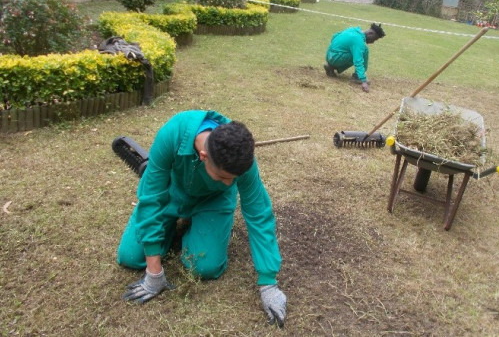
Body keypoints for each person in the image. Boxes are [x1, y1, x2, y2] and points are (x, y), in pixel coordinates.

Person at [117, 110, 286, 327]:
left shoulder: (242, 159)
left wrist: (268, 282)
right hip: (171, 195)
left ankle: (196, 227)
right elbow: (151, 198)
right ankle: (169, 228)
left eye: (233, 180)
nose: (229, 184)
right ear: (204, 156)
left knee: (204, 267)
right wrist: (154, 271)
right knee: (130, 257)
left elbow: (258, 213)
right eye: (224, 178)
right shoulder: (173, 133)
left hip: (213, 203)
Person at [323, 23, 385, 93]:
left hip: (329, 55)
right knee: (363, 51)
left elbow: (335, 36)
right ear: (370, 33)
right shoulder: (358, 41)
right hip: (336, 58)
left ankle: (330, 66)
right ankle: (357, 76)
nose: (373, 42)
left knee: (354, 50)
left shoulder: (352, 30)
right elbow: (358, 61)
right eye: (374, 39)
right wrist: (363, 81)